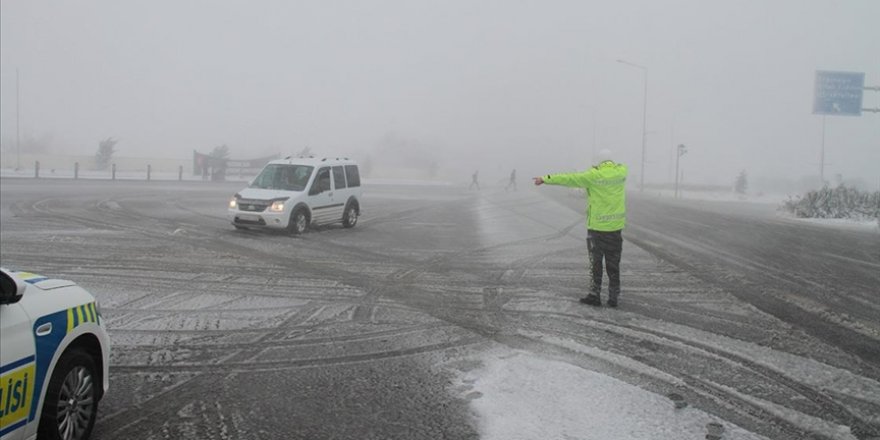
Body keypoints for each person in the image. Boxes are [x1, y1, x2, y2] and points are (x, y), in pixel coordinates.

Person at [533, 149, 628, 307]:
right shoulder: (621, 173)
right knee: (613, 264)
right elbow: (620, 166)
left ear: (596, 163)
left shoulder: (592, 176)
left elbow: (569, 179)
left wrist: (545, 179)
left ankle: (594, 295)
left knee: (595, 264)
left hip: (596, 229)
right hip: (615, 229)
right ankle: (613, 297)